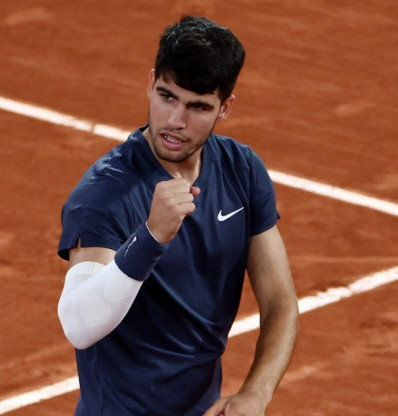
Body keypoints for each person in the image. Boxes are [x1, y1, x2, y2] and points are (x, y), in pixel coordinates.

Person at [56, 15, 299, 416]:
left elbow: (279, 300)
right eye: (167, 96)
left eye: (198, 106)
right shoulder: (103, 195)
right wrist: (151, 237)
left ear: (225, 107)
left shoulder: (242, 170)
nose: (175, 121)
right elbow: (79, 326)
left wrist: (257, 392)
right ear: (151, 83)